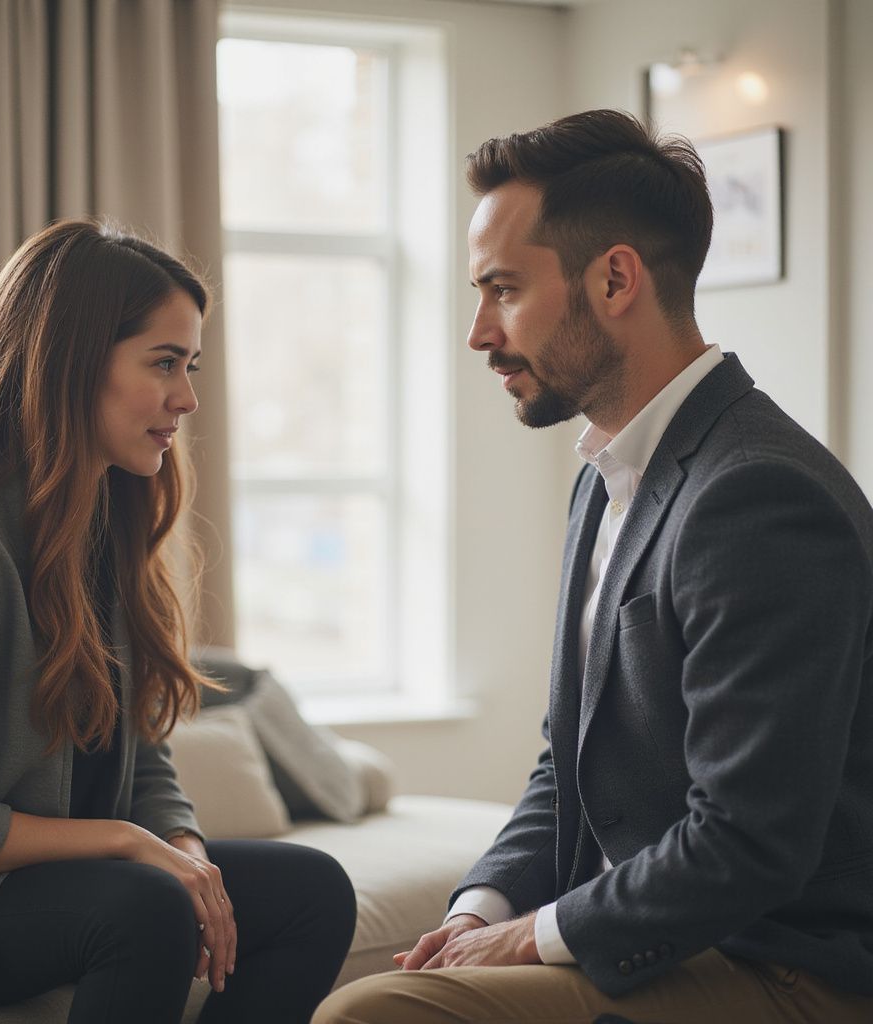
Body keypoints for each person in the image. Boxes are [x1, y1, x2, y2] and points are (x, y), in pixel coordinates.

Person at [314, 109, 873, 1023]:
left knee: (369, 1017)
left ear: (615, 278)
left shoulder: (760, 496)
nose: (478, 333)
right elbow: (563, 762)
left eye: (502, 289)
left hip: (784, 967)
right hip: (663, 947)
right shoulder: (607, 475)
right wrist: (479, 910)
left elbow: (749, 842)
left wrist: (529, 937)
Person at [0, 219, 356, 1024]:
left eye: (189, 367)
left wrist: (184, 850)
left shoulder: (106, 531)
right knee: (143, 903)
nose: (187, 399)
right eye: (164, 364)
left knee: (312, 891)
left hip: (68, 885)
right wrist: (127, 845)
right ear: (71, 363)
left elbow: (143, 764)